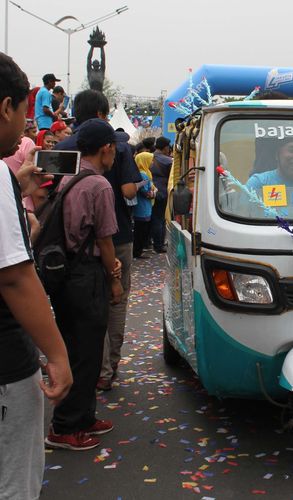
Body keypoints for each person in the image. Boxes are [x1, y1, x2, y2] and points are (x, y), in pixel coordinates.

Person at [0, 51, 72, 499]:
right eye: (23, 115)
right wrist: (58, 355)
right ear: (6, 106)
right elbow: (12, 277)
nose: (25, 128)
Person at [54, 89, 140, 393]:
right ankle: (108, 367)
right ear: (103, 114)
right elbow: (128, 192)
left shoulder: (61, 148)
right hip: (114, 241)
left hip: (67, 247)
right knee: (115, 302)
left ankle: (93, 366)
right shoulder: (117, 150)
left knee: (83, 314)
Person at [46, 118, 123, 450]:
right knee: (85, 351)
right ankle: (64, 427)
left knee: (79, 347)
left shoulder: (70, 177)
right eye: (114, 150)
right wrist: (114, 278)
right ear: (106, 148)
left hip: (67, 273)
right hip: (87, 275)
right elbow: (106, 240)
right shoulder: (100, 186)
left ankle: (84, 417)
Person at [149, 136, 173, 254]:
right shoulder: (168, 161)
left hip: (149, 190)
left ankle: (152, 242)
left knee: (153, 218)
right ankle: (159, 245)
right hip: (162, 191)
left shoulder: (148, 157)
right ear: (165, 147)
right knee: (160, 219)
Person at [132, 152, 155, 259]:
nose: (153, 163)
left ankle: (138, 250)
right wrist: (152, 192)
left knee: (141, 230)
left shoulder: (145, 172)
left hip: (144, 206)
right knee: (140, 231)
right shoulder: (143, 174)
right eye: (151, 160)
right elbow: (146, 192)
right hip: (142, 207)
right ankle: (137, 251)